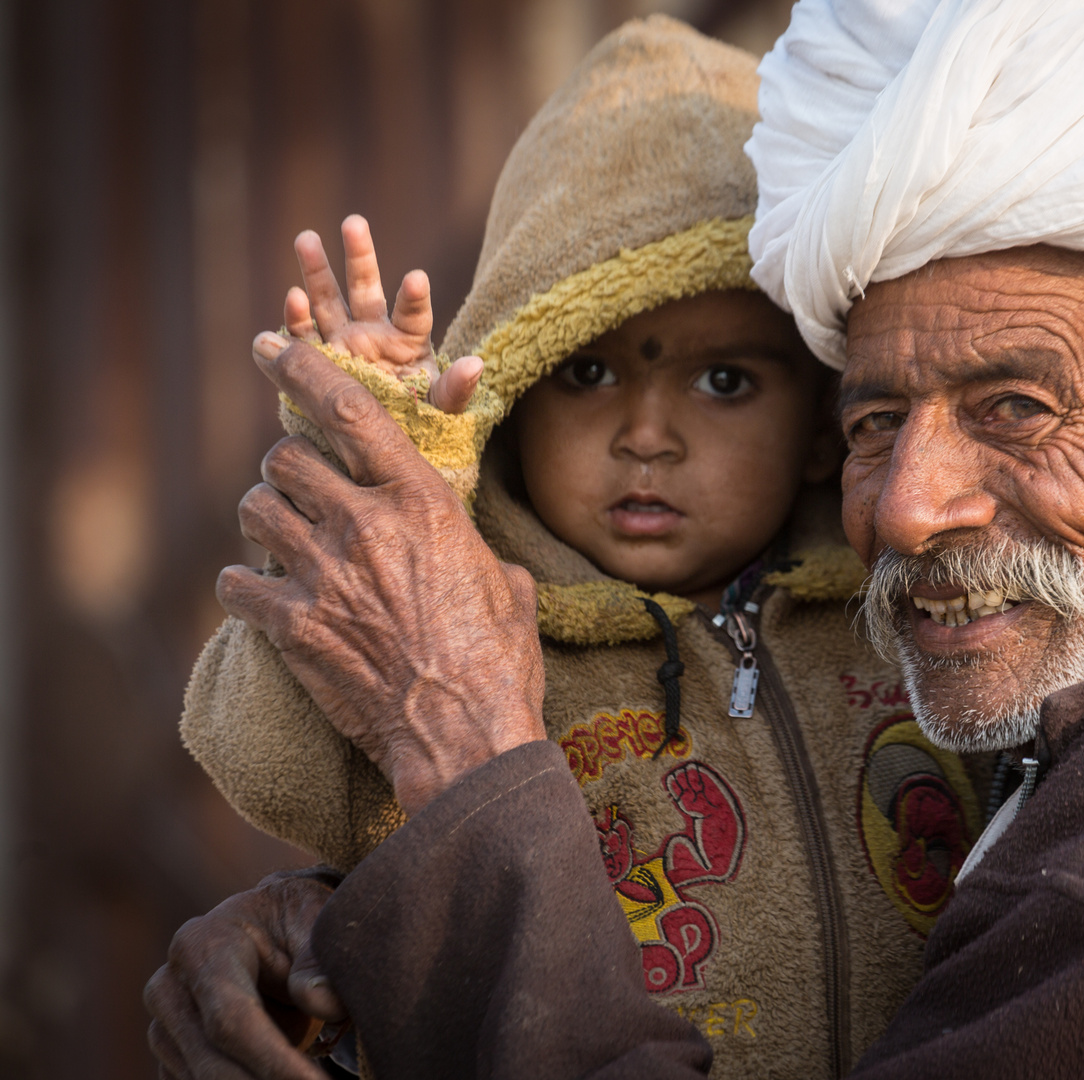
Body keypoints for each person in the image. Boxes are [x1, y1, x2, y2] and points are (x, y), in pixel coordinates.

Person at [156, 1, 1084, 1077]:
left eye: (1014, 408)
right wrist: (354, 927)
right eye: (872, 423)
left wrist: (468, 754)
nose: (908, 509)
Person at [154, 17, 991, 1080]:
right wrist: (379, 472)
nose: (647, 435)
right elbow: (267, 755)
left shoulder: (904, 620)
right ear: (510, 392)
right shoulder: (463, 629)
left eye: (725, 381)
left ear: (825, 424)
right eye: (587, 375)